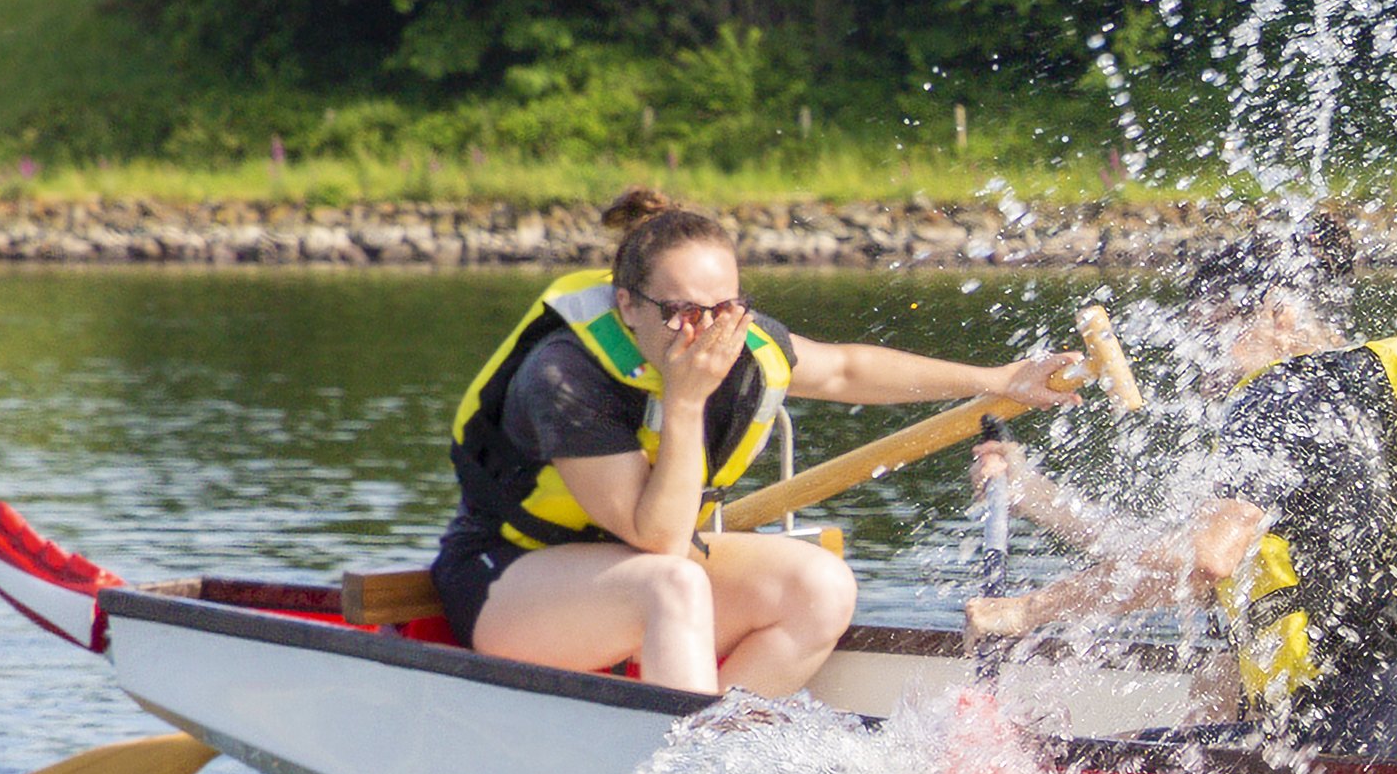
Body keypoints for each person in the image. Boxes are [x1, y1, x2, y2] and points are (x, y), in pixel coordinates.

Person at [438, 190, 1078, 697]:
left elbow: (845, 369)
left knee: (822, 585)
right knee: (670, 584)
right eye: (683, 313)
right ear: (627, 305)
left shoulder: (741, 338)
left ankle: (710, 754)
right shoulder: (565, 377)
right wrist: (686, 401)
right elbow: (658, 541)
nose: (710, 333)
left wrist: (1000, 379)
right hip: (509, 581)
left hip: (642, 579)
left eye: (726, 309)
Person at [972, 220, 1397, 758]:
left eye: (1211, 329)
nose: (1199, 359)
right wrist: (1033, 494)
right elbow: (1168, 561)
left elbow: (1203, 562)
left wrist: (1024, 612)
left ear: (1278, 312)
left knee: (1069, 763)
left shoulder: (1279, 392)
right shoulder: (1387, 384)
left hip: (1371, 735)